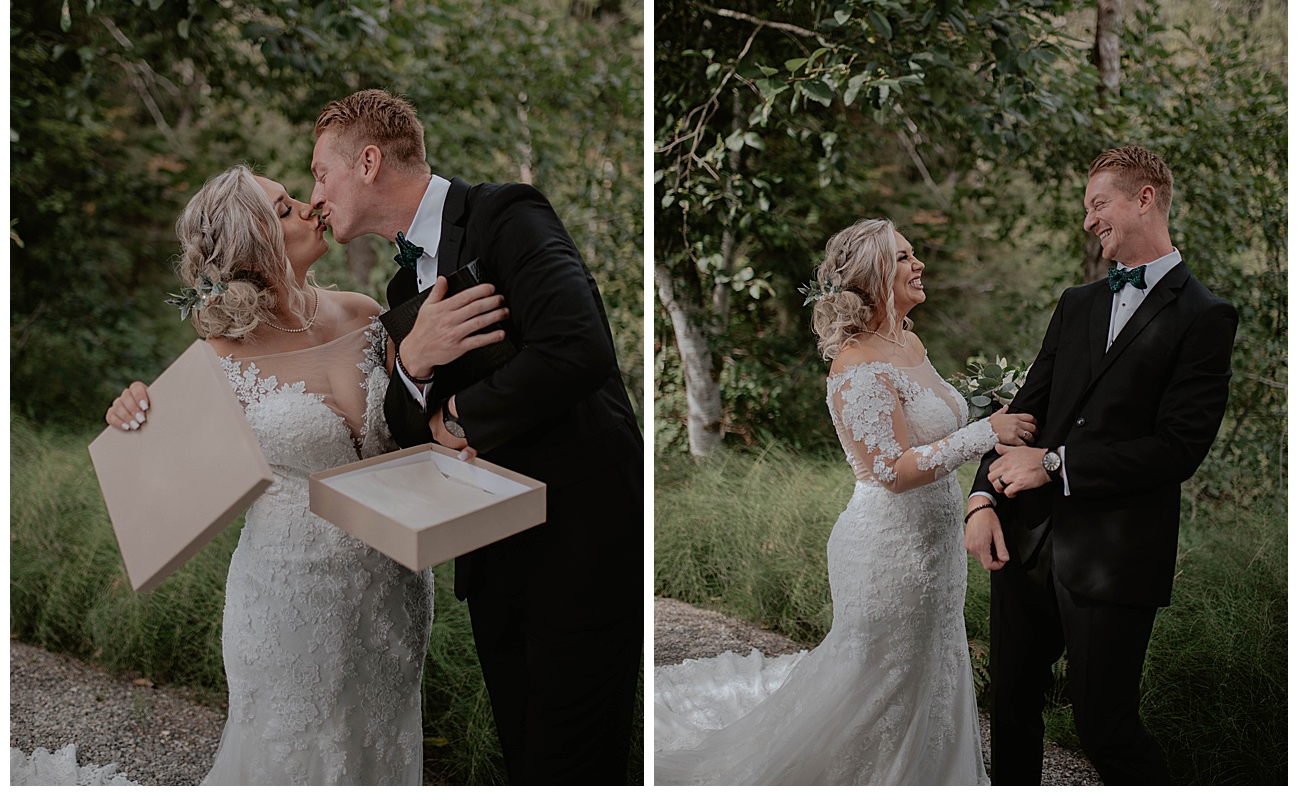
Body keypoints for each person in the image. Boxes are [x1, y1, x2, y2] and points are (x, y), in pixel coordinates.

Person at [308, 89, 642, 783]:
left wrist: (455, 416)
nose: (315, 196)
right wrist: (413, 363)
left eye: (320, 173)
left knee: (576, 763)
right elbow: (407, 430)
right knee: (524, 755)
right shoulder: (403, 287)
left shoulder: (507, 215)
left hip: (581, 540)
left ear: (367, 162)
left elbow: (578, 348)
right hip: (494, 558)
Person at [102, 165, 471, 785]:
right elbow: (159, 479)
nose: (309, 207)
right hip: (289, 599)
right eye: (282, 209)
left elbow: (417, 422)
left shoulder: (366, 315)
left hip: (394, 588)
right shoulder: (219, 360)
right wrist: (130, 412)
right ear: (251, 247)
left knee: (380, 749)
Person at [654, 218, 1036, 785]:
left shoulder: (909, 343)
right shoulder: (855, 364)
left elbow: (932, 435)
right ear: (873, 276)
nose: (918, 265)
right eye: (903, 257)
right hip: (887, 552)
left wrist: (991, 421)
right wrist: (986, 433)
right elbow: (892, 470)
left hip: (936, 550)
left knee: (930, 667)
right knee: (877, 681)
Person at [964, 146, 1237, 785]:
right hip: (1026, 541)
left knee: (1104, 726)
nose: (1088, 221)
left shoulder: (1206, 316)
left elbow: (1179, 448)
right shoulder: (1077, 303)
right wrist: (981, 499)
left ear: (1144, 198)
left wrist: (1056, 465)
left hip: (1115, 558)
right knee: (1009, 708)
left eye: (1098, 204)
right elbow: (1025, 411)